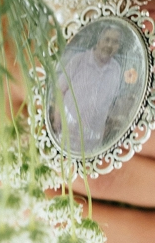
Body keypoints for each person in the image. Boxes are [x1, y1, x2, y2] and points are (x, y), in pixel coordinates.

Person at [51, 22, 139, 154]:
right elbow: (59, 89)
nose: (109, 45)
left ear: (119, 46)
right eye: (107, 39)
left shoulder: (116, 70)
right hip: (66, 130)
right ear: (99, 40)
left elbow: (109, 106)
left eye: (115, 42)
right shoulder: (79, 60)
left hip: (91, 141)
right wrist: (57, 119)